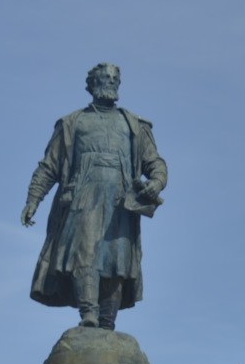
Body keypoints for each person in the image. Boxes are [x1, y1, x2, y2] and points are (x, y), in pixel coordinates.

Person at [21, 63, 167, 329]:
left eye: (114, 78)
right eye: (104, 78)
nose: (110, 82)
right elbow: (49, 166)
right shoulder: (72, 123)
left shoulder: (134, 124)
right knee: (85, 255)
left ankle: (107, 322)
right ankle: (89, 314)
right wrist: (33, 199)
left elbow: (154, 162)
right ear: (91, 84)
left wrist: (157, 182)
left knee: (117, 261)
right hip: (82, 198)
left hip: (121, 202)